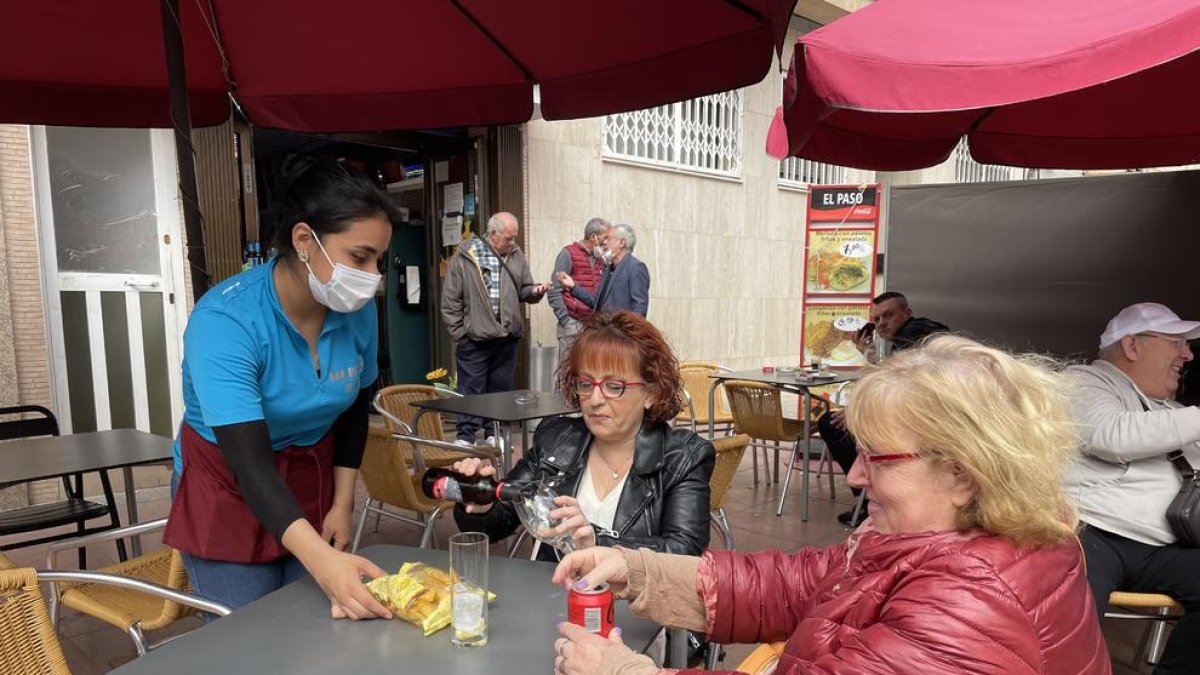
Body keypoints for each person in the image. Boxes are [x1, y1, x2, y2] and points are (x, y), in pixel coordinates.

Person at [550, 335, 1111, 675]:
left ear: (962, 475)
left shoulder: (973, 601)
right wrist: (635, 566)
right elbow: (793, 584)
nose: (857, 474)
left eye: (879, 458)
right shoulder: (933, 539)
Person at [163, 157, 395, 619]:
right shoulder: (225, 323)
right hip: (230, 483)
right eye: (359, 256)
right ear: (305, 240)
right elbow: (249, 465)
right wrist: (324, 562)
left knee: (323, 632)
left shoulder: (356, 312)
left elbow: (353, 409)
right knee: (250, 637)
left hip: (313, 475)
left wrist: (343, 503)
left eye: (378, 260)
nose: (371, 275)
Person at [451, 310, 714, 560]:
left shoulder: (683, 457)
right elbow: (500, 521)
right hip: (554, 599)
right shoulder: (557, 439)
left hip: (632, 605)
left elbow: (684, 552)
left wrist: (596, 542)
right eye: (586, 384)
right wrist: (478, 502)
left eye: (614, 386)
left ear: (651, 393)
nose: (595, 399)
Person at [1066, 302, 1200, 675]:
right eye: (1175, 342)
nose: (1187, 354)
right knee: (1068, 622)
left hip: (1165, 545)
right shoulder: (1084, 381)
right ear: (1132, 346)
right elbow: (1112, 436)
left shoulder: (1170, 410)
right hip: (1091, 533)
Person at [818, 290, 948, 526]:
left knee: (832, 425)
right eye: (876, 319)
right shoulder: (923, 332)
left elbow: (898, 389)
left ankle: (869, 502)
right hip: (933, 423)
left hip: (925, 429)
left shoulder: (913, 333)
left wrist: (860, 414)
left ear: (907, 313)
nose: (881, 324)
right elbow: (896, 377)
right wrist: (868, 355)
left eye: (888, 315)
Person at [440, 212, 550, 444]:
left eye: (514, 238)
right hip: (475, 337)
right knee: (471, 389)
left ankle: (494, 432)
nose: (513, 242)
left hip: (507, 336)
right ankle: (466, 435)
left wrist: (534, 291)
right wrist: (461, 333)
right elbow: (450, 300)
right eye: (508, 238)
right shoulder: (466, 255)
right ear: (492, 234)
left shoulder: (516, 254)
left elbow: (524, 288)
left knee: (500, 389)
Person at [548, 217, 611, 359]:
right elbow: (554, 290)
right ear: (593, 237)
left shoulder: (603, 260)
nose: (607, 243)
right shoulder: (568, 254)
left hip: (595, 326)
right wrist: (565, 320)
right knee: (568, 374)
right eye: (605, 238)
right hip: (572, 324)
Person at [556, 224, 649, 317]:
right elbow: (596, 302)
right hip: (603, 330)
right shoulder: (608, 269)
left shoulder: (635, 267)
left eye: (609, 239)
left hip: (620, 330)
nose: (604, 242)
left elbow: (639, 309)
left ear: (621, 243)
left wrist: (628, 331)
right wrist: (573, 286)